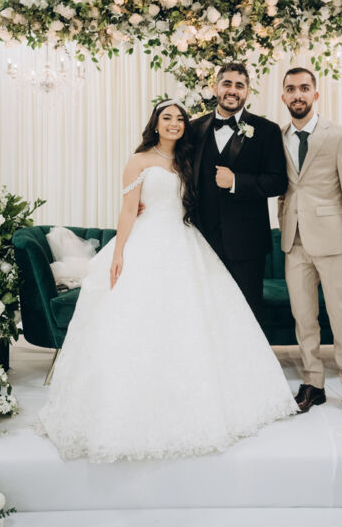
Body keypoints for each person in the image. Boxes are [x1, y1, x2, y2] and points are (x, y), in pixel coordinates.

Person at [38, 99, 297, 462]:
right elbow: (128, 209)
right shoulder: (139, 160)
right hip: (146, 242)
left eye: (179, 119)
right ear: (156, 124)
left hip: (185, 241)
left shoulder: (189, 160)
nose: (174, 123)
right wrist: (118, 252)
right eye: (167, 118)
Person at [278, 67, 342, 423]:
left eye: (304, 88)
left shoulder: (339, 136)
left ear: (315, 94)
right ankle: (312, 383)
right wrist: (284, 224)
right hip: (294, 241)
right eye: (291, 89)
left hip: (333, 240)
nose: (298, 94)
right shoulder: (279, 136)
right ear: (283, 96)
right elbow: (287, 189)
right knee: (303, 317)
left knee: (341, 315)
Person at [191, 63, 288, 320]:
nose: (232, 90)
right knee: (206, 313)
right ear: (215, 88)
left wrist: (236, 181)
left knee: (247, 315)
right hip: (202, 240)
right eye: (227, 84)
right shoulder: (194, 129)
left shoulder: (267, 130)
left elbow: (278, 182)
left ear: (247, 91)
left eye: (239, 85)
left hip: (247, 243)